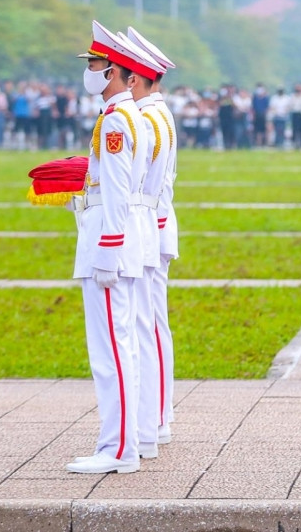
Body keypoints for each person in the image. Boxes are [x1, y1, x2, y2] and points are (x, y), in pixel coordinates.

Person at [66, 21, 152, 475]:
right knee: (119, 347)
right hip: (112, 236)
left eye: (98, 65)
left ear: (121, 74)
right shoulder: (118, 116)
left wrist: (107, 249)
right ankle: (122, 442)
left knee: (111, 350)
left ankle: (118, 449)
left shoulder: (118, 120)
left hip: (110, 242)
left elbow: (118, 191)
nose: (92, 71)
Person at [127, 26, 180, 445]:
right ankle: (157, 416)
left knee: (147, 325)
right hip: (155, 223)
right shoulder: (156, 112)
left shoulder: (147, 116)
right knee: (152, 324)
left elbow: (144, 183)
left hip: (149, 224)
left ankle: (155, 420)